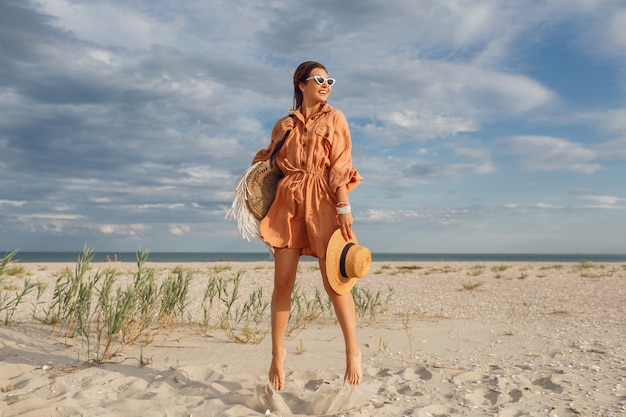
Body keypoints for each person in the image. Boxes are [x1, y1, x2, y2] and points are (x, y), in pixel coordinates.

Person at [250, 61, 363, 391]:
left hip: (323, 201)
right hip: (287, 203)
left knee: (335, 281)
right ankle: (277, 354)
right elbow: (268, 164)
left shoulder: (335, 118)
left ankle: (352, 351)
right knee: (282, 282)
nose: (326, 84)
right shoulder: (283, 124)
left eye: (329, 80)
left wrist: (344, 206)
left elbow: (341, 164)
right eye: (319, 79)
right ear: (301, 84)